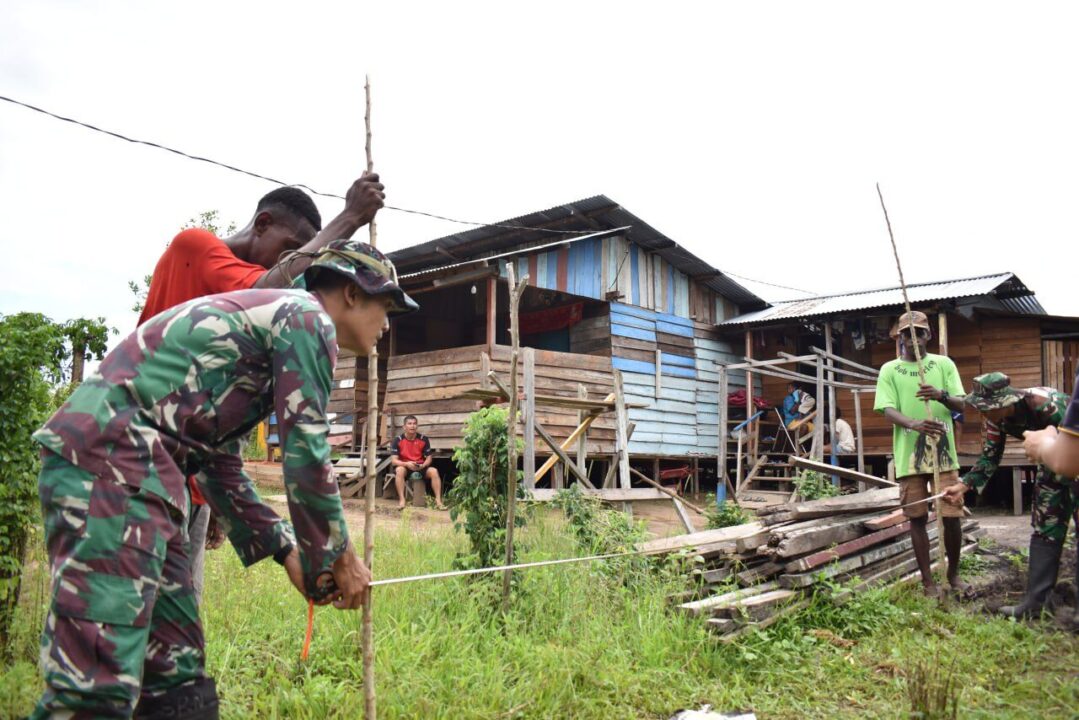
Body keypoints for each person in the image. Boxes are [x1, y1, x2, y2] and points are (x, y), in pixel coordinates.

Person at [30, 239, 416, 719]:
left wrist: (288, 551)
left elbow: (218, 467)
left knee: (176, 676)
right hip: (112, 469)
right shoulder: (307, 318)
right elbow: (306, 453)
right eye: (388, 304)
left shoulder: (275, 321)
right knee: (93, 692)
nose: (389, 322)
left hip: (145, 477)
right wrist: (340, 558)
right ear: (353, 293)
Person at [137, 176, 385, 606]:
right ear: (262, 223)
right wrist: (349, 219)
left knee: (179, 619)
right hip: (137, 464)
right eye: (292, 251)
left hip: (192, 473)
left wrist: (226, 508)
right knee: (127, 625)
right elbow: (273, 290)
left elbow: (219, 440)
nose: (302, 274)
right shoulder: (196, 248)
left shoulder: (261, 326)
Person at [944, 373, 1076, 618]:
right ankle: (1036, 604)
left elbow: (1072, 445)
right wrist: (964, 485)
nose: (985, 414)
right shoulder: (994, 420)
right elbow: (990, 456)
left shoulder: (1045, 405)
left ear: (1006, 402)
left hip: (1074, 458)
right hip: (1048, 463)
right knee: (1045, 523)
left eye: (988, 409)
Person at [873, 310, 968, 599]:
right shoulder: (890, 369)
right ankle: (928, 582)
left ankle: (953, 575)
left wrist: (939, 395)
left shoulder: (943, 364)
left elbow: (962, 404)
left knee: (951, 515)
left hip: (943, 454)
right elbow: (887, 409)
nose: (913, 338)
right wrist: (914, 424)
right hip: (908, 457)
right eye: (906, 333)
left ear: (929, 335)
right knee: (916, 517)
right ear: (898, 337)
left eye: (919, 332)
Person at [390, 415, 445, 510]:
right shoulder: (397, 440)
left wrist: (424, 465)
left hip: (420, 466)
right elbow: (394, 460)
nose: (412, 426)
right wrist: (406, 464)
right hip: (406, 467)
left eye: (415, 424)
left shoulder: (424, 439)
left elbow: (429, 458)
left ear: (417, 426)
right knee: (399, 470)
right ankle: (402, 500)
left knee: (434, 471)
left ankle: (438, 501)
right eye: (409, 424)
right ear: (404, 427)